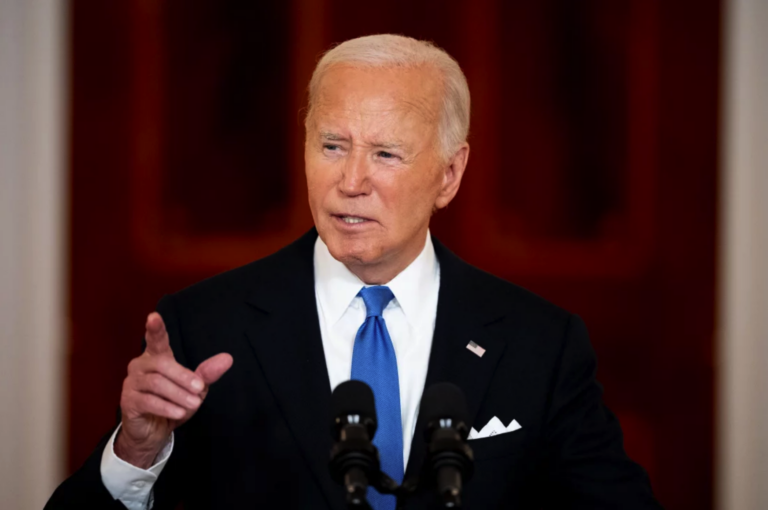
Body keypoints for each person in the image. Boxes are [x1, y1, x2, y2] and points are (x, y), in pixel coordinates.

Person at [46, 34, 662, 509]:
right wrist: (137, 452)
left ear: (450, 174)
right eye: (332, 145)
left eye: (385, 153)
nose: (350, 182)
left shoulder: (540, 343)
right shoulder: (205, 327)